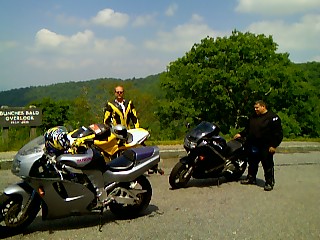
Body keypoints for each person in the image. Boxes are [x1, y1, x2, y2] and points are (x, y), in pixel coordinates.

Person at [234, 100, 283, 191]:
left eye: (257, 107)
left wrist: (274, 145)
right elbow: (247, 129)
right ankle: (251, 178)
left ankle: (269, 182)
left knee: (267, 165)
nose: (255, 109)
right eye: (255, 108)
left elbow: (278, 134)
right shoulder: (253, 117)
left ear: (263, 107)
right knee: (252, 163)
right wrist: (241, 134)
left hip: (266, 145)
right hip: (253, 144)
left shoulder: (272, 117)